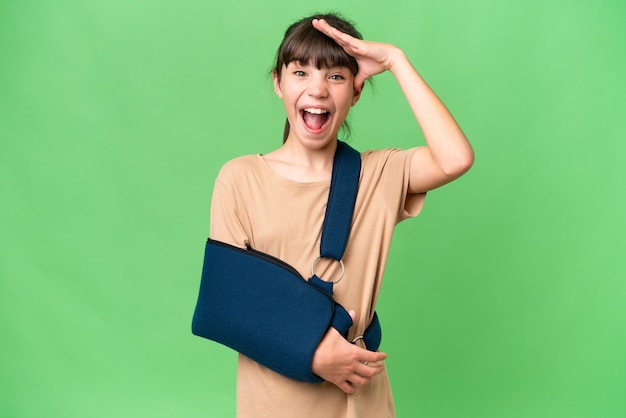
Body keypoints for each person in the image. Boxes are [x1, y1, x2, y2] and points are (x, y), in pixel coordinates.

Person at [207, 12, 474, 418]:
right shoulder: (240, 179)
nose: (317, 89)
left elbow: (455, 158)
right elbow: (228, 305)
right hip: (274, 402)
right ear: (278, 83)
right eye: (300, 73)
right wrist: (312, 352)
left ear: (356, 90)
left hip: (360, 404)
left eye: (335, 76)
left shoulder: (379, 175)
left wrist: (396, 61)